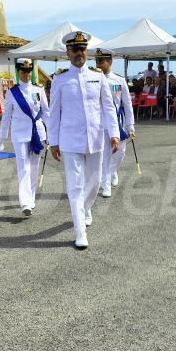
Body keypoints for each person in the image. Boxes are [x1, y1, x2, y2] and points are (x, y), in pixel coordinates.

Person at [48, 31, 119, 250]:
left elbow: (108, 107)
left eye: (82, 49)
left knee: (95, 183)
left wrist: (114, 133)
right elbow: (54, 112)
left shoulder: (98, 76)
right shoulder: (60, 79)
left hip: (96, 139)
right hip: (70, 141)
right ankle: (80, 231)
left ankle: (86, 209)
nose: (80, 53)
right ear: (67, 53)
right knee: (75, 187)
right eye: (75, 49)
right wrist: (53, 141)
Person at [0, 58, 50, 216]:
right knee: (24, 168)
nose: (26, 74)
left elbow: (46, 113)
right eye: (23, 71)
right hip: (20, 134)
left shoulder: (38, 90)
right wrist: (2, 137)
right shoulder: (13, 93)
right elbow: (6, 116)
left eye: (28, 71)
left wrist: (53, 135)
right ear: (19, 72)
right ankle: (25, 202)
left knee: (34, 168)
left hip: (38, 134)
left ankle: (31, 196)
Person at [95, 48, 135, 198]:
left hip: (118, 122)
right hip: (100, 122)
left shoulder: (119, 80)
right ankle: (105, 185)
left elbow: (127, 103)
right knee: (104, 155)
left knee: (120, 153)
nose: (98, 64)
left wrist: (130, 125)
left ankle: (112, 171)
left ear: (109, 62)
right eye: (97, 61)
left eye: (101, 61)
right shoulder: (93, 79)